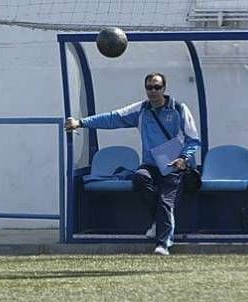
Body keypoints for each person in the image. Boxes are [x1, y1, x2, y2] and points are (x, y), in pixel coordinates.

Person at [65, 72, 200, 256]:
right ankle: (159, 222)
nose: (153, 91)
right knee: (139, 177)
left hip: (173, 164)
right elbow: (113, 118)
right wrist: (81, 123)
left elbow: (194, 140)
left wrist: (183, 158)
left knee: (165, 201)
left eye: (157, 87)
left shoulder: (178, 109)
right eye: (149, 87)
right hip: (151, 164)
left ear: (164, 88)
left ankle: (163, 244)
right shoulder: (142, 110)